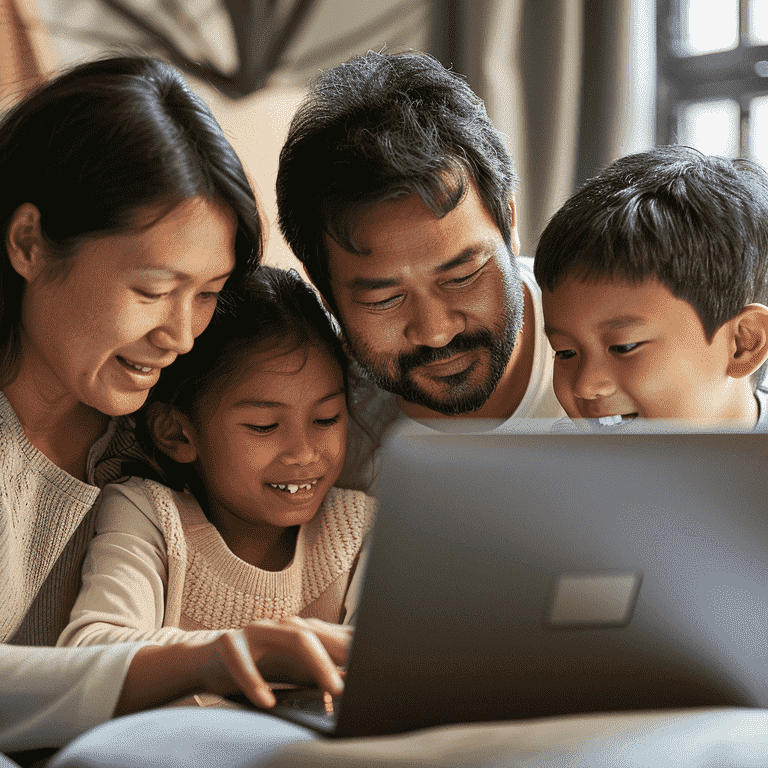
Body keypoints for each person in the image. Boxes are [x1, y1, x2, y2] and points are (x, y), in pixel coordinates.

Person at [0, 55, 347, 758]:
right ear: (30, 242)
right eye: (153, 290)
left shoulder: (171, 422)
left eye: (208, 292)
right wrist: (206, 657)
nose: (182, 335)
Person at [275, 50, 564, 493]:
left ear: (510, 224)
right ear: (325, 291)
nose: (436, 332)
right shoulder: (320, 445)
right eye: (383, 299)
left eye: (462, 276)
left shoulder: (617, 350)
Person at [57, 265, 376, 652]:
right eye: (264, 426)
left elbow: (392, 660)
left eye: (326, 419)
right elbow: (92, 648)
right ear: (178, 434)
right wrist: (256, 652)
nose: (304, 452)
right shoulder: (149, 516)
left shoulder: (360, 529)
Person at [533, 145, 768, 431]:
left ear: (743, 343)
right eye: (565, 352)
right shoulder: (555, 466)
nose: (586, 385)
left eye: (624, 347)